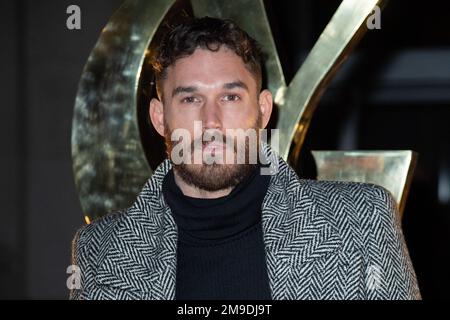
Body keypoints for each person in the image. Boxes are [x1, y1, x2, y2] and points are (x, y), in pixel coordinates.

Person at [70, 16, 421, 300]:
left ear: (263, 110)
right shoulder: (99, 250)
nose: (211, 122)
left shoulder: (362, 220)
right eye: (190, 99)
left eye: (231, 98)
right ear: (160, 118)